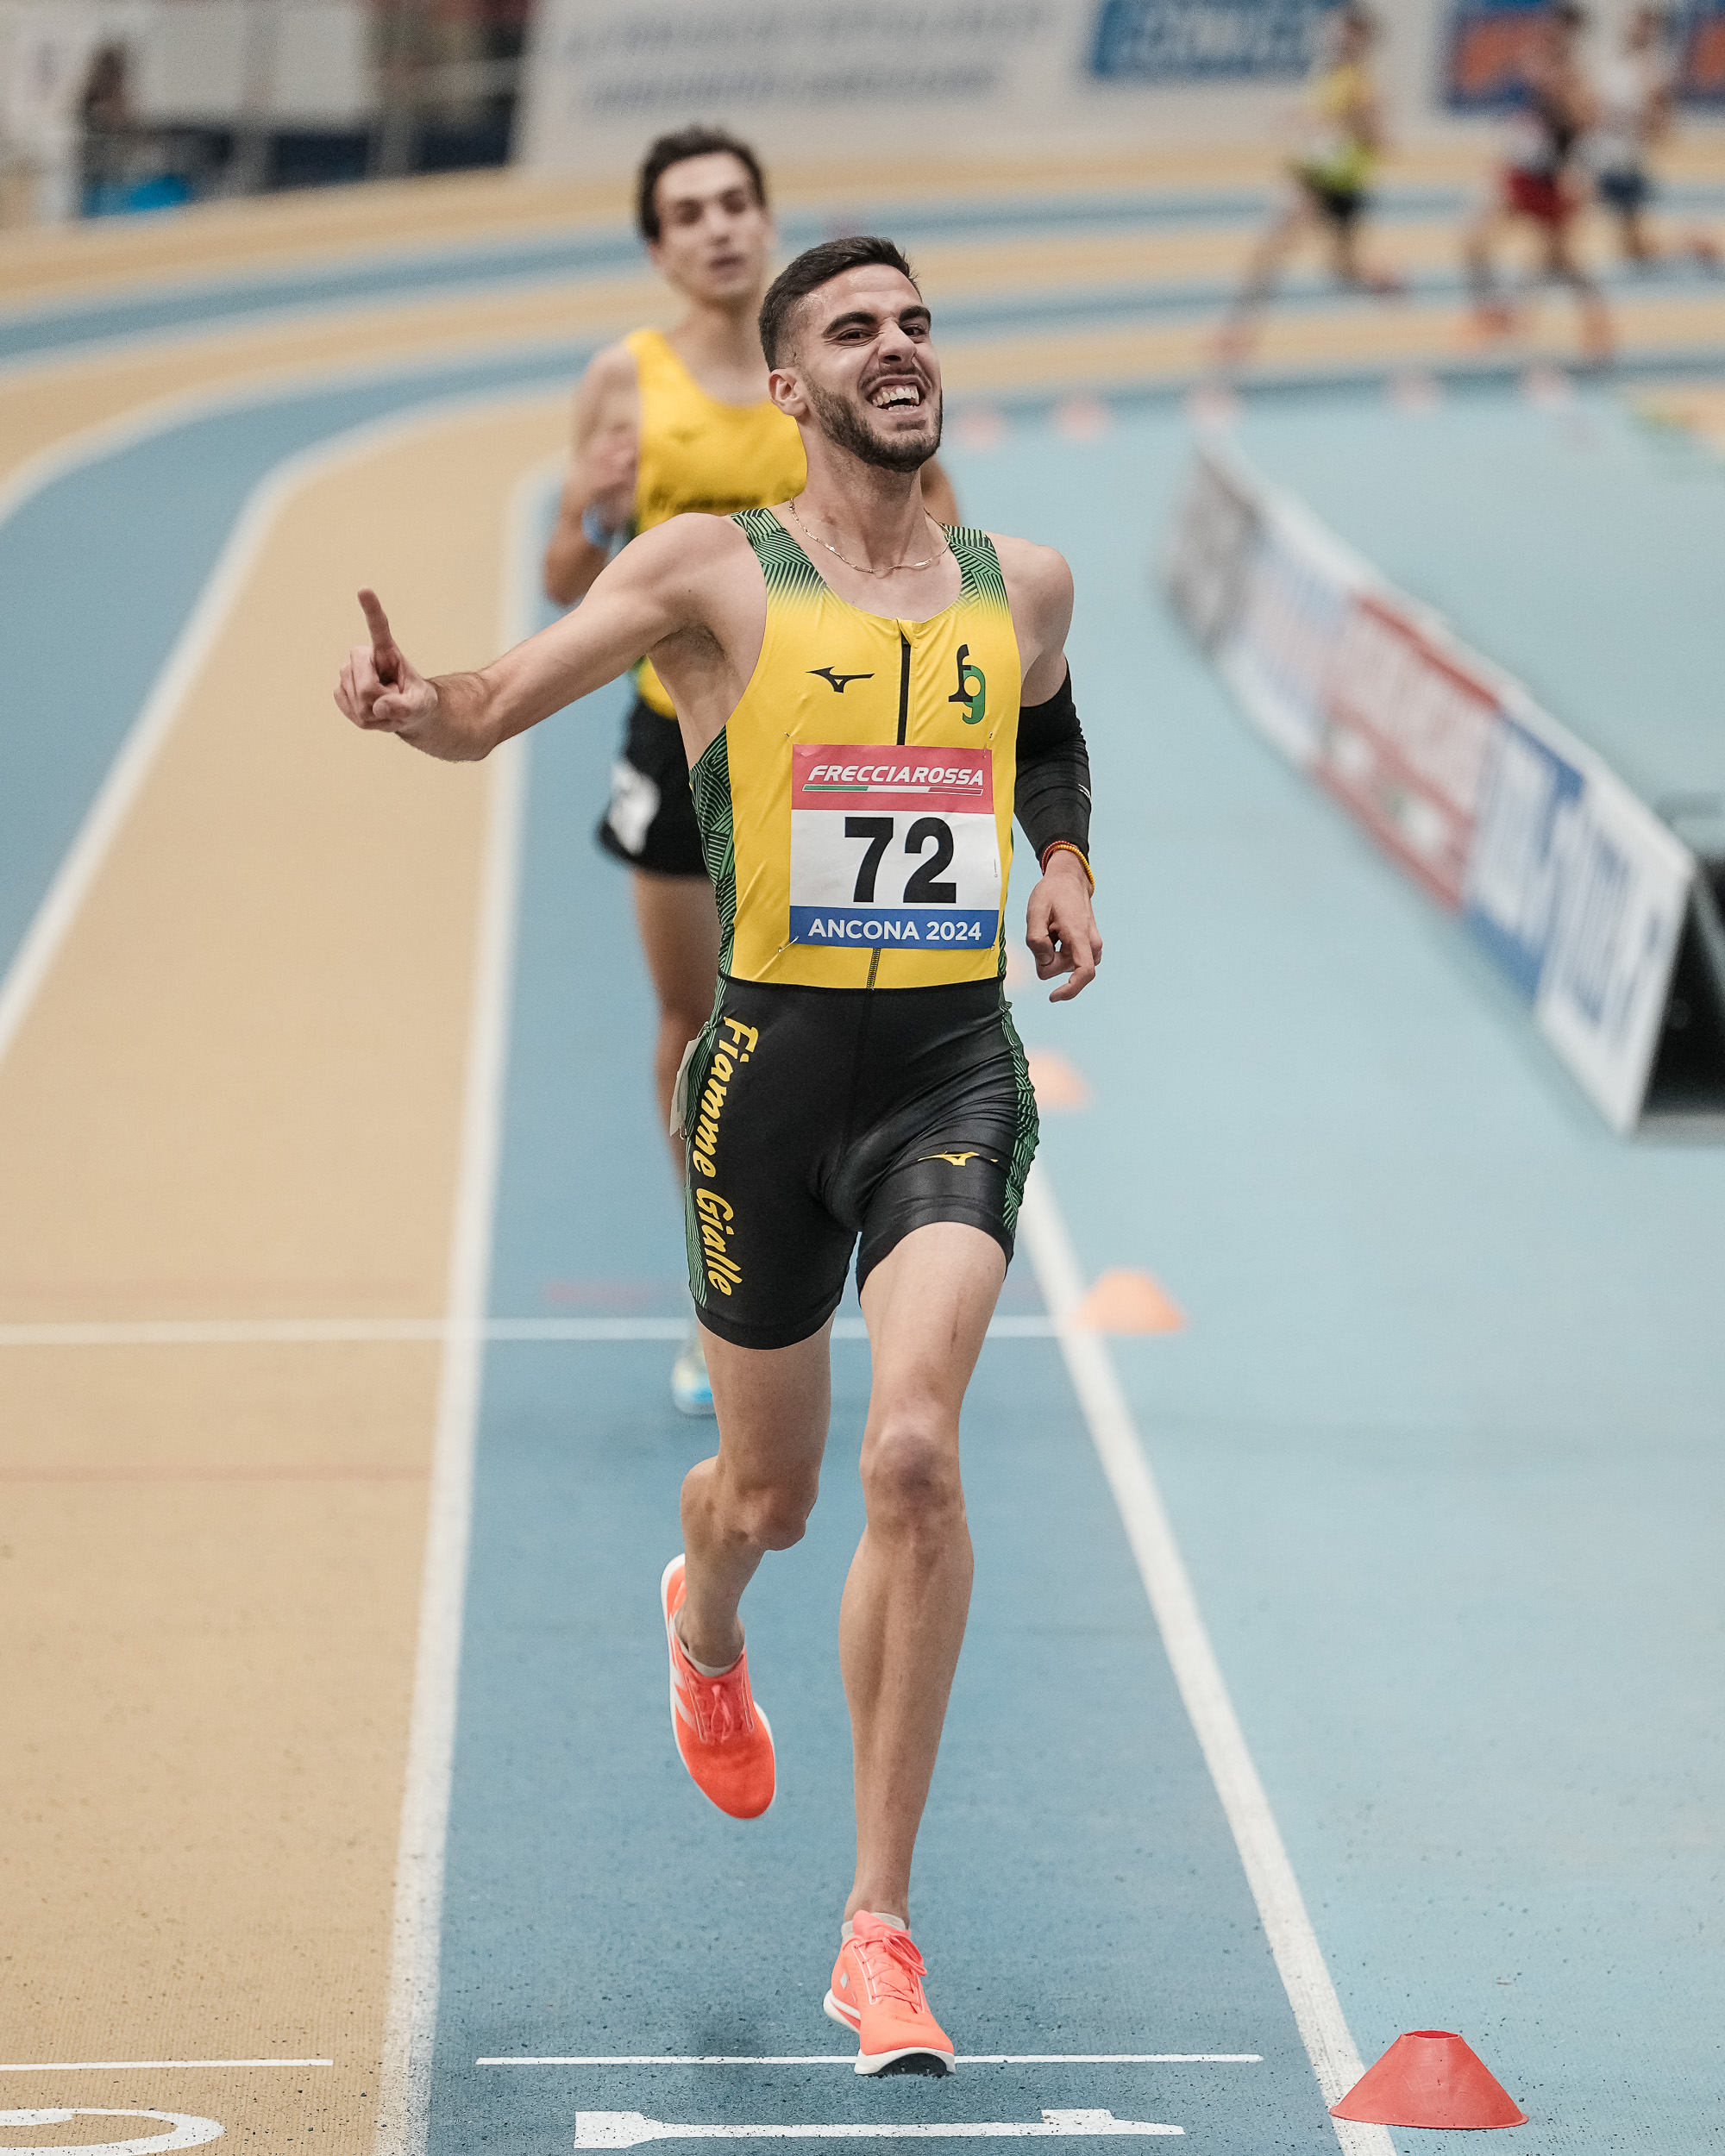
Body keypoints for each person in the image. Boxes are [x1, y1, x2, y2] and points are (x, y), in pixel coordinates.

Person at [336, 234, 1101, 2076]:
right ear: (788, 388)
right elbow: (493, 704)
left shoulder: (1023, 580)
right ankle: (705, 1615)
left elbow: (1048, 723)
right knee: (770, 1498)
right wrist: (415, 702)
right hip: (764, 1084)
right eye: (855, 329)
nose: (898, 347)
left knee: (912, 1455)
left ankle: (877, 1929)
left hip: (949, 1074)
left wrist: (1065, 857)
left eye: (915, 322)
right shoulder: (706, 571)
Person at [541, 127, 958, 1418]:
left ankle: (871, 1259)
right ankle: (717, 1288)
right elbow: (565, 581)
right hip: (675, 739)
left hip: (827, 752)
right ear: (657, 247)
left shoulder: (830, 360)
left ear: (766, 219)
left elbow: (937, 526)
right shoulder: (623, 380)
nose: (718, 227)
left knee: (841, 1016)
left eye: (735, 203)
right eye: (689, 213)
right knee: (693, 1021)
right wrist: (591, 510)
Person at [1214, 3, 1402, 366]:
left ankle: (1380, 276)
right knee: (1270, 249)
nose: (1338, 37)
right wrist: (1301, 122)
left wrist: (1350, 123)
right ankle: (1238, 333)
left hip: (1343, 185)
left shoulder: (1364, 85)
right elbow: (1320, 123)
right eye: (1339, 30)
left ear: (1362, 40)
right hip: (1311, 179)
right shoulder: (1329, 73)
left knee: (1341, 269)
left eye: (1348, 32)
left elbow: (1381, 143)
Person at [1464, 1, 1613, 362]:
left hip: (1554, 185)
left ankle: (1596, 324)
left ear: (1571, 35)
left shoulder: (1577, 80)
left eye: (1559, 28)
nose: (1549, 32)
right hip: (1524, 177)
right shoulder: (1534, 65)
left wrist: (1556, 94)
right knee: (1476, 242)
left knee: (1565, 262)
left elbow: (1588, 128)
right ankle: (1492, 314)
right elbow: (1521, 123)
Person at [1588, 3, 1719, 270]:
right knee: (1631, 246)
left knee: (1631, 245)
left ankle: (1692, 241)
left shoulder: (1654, 72)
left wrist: (1645, 113)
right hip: (1601, 156)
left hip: (1624, 161)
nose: (1633, 29)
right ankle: (1691, 241)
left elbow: (1663, 126)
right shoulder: (1611, 65)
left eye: (1641, 25)